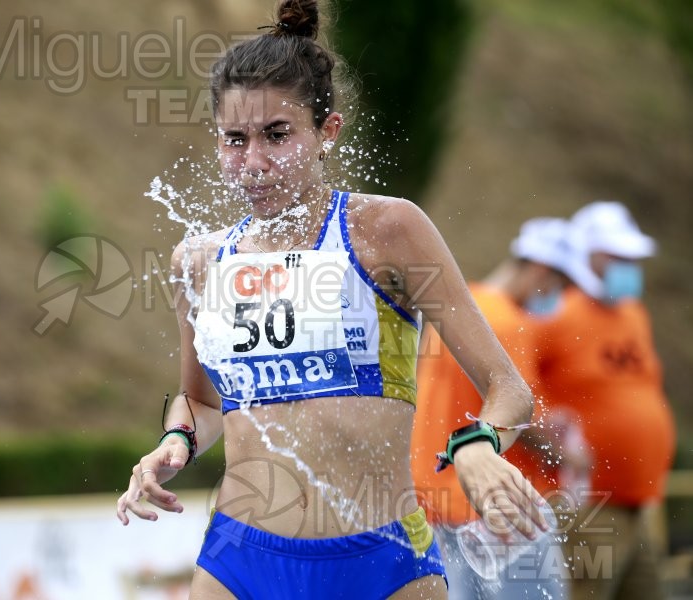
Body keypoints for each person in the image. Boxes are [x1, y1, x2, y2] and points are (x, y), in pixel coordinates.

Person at [116, 2, 550, 598]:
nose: (254, 164)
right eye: (234, 141)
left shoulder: (388, 231)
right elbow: (202, 402)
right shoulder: (198, 260)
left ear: (327, 132)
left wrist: (477, 445)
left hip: (382, 561)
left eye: (277, 135)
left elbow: (510, 391)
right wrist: (175, 442)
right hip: (240, 561)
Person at [412, 217, 592, 600]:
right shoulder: (510, 323)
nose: (561, 297)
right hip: (502, 506)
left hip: (441, 499)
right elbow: (518, 416)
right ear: (541, 270)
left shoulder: (460, 312)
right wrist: (569, 458)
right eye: (562, 285)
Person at [536, 201, 676, 600]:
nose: (628, 264)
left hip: (639, 502)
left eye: (631, 257)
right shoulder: (558, 314)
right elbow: (520, 387)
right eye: (617, 255)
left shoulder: (633, 314)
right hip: (590, 505)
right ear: (586, 254)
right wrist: (555, 449)